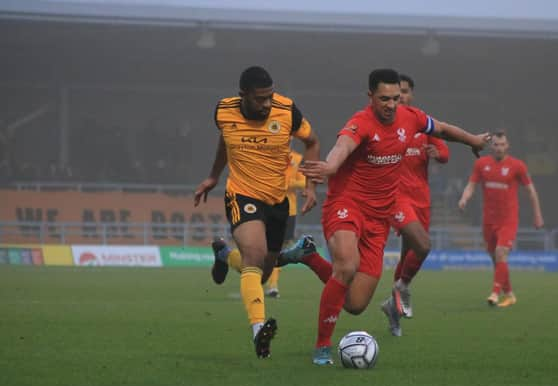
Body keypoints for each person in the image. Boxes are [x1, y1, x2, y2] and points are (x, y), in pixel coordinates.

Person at [283, 69, 489, 365]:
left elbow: (441, 129)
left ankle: (308, 256)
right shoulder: (361, 123)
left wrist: (472, 140)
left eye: (395, 98)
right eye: (384, 99)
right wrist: (329, 167)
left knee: (354, 303)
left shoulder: (411, 116)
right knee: (347, 266)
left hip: (380, 217)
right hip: (347, 205)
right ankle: (322, 347)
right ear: (370, 97)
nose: (391, 105)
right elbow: (343, 146)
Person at [193, 66, 320, 358]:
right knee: (254, 253)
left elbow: (312, 142)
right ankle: (258, 330)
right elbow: (226, 139)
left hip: (278, 201)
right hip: (242, 194)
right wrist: (214, 176)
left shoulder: (287, 111)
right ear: (243, 96)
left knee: (263, 272)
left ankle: (224, 255)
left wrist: (311, 186)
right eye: (260, 99)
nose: (266, 104)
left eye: (269, 97)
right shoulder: (224, 111)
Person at [380, 74, 451, 337]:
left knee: (409, 253)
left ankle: (393, 309)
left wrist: (438, 154)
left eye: (405, 92)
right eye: (397, 93)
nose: (401, 97)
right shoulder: (385, 124)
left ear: (411, 95)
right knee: (422, 245)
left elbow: (444, 151)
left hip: (421, 198)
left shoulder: (421, 122)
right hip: (396, 197)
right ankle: (403, 288)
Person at [458, 130, 544, 307]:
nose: (499, 148)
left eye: (502, 144)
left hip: (508, 220)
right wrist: (464, 198)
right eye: (496, 144)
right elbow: (471, 185)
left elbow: (531, 191)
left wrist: (537, 215)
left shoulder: (517, 166)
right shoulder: (482, 164)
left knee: (500, 253)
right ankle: (510, 294)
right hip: (488, 221)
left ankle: (494, 294)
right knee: (496, 259)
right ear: (491, 146)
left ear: (508, 146)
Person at [266, 149, 306, 298]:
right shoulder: (269, 154)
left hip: (289, 210)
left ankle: (272, 284)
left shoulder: (297, 158)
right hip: (269, 206)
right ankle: (265, 282)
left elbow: (303, 182)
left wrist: (289, 183)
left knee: (280, 248)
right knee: (264, 246)